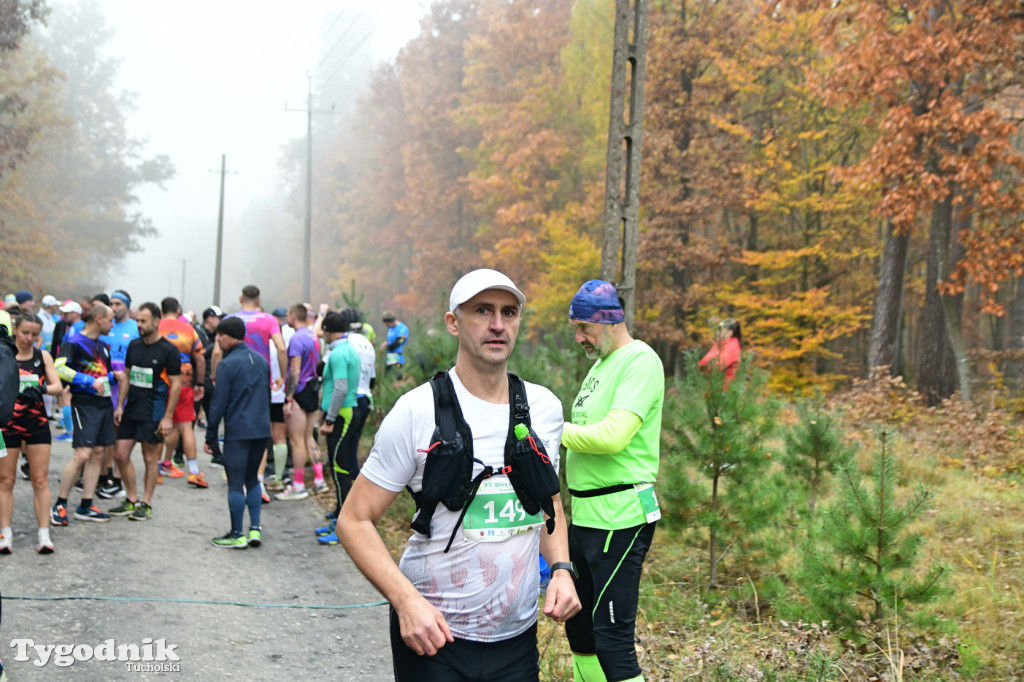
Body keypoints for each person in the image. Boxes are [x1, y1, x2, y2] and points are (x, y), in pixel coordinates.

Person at [339, 268, 580, 681]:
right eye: (482, 310)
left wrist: (561, 569)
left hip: (517, 639)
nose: (498, 325)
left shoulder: (544, 408)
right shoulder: (417, 411)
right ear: (453, 322)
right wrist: (406, 603)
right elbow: (354, 519)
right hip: (434, 637)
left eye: (509, 312)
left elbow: (548, 501)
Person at [561, 280, 665, 682]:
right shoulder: (600, 366)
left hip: (620, 517)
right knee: (580, 632)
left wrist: (554, 431)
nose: (578, 337)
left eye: (583, 328)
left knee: (611, 639)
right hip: (586, 515)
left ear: (607, 321)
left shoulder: (640, 361)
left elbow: (612, 436)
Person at [109, 302, 182, 522]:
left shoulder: (168, 350)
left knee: (150, 458)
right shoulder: (134, 345)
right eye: (138, 320)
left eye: (143, 321)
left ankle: (147, 502)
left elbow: (176, 385)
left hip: (154, 411)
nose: (138, 324)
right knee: (120, 455)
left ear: (156, 322)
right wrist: (120, 405)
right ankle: (132, 499)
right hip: (132, 409)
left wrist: (168, 417)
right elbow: (127, 377)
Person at [52, 303, 123, 524]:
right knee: (82, 454)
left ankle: (86, 505)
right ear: (99, 319)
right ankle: (60, 504)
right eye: (110, 319)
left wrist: (114, 377)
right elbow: (59, 368)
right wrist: (88, 381)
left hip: (103, 404)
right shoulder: (74, 341)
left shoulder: (103, 345)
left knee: (99, 453)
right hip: (84, 403)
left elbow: (104, 374)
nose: (113, 324)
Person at [204, 317, 270, 549]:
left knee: (235, 482)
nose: (217, 339)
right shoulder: (261, 361)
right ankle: (254, 529)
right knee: (252, 479)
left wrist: (211, 436)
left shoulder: (227, 365)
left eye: (220, 335)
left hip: (239, 431)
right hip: (261, 429)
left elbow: (218, 403)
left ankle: (236, 534)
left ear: (231, 336)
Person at [0, 314, 64, 553]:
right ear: (15, 330)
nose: (29, 338)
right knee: (6, 481)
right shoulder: (4, 355)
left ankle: (44, 535)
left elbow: (57, 386)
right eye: (25, 333)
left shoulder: (42, 356)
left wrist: (41, 388)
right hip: (8, 425)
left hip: (36, 424)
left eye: (34, 334)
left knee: (40, 480)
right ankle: (5, 534)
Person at [218, 285, 288, 496]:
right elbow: (281, 348)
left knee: (233, 425)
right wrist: (282, 377)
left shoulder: (230, 319)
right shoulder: (269, 320)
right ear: (259, 301)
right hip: (259, 380)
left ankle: (235, 476)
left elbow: (215, 352)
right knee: (260, 430)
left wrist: (215, 377)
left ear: (240, 298)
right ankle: (256, 481)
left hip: (232, 378)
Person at [314, 311, 360, 544]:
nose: (322, 334)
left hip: (342, 415)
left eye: (323, 330)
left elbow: (340, 388)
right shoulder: (347, 349)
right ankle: (338, 516)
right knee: (338, 467)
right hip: (344, 413)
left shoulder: (339, 353)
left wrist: (329, 420)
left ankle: (343, 527)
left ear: (330, 331)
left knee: (340, 469)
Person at [158, 297, 208, 488]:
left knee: (163, 425)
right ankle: (194, 472)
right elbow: (201, 359)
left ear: (162, 311)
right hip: (185, 381)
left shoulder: (157, 327)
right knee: (185, 426)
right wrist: (200, 383)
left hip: (162, 381)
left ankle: (159, 470)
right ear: (178, 310)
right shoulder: (189, 330)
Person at [95, 289, 139, 500]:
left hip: (125, 383)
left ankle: (118, 478)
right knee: (106, 431)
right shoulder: (106, 326)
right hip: (106, 379)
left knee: (120, 429)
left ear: (127, 306)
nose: (114, 307)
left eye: (118, 304)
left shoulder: (134, 328)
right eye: (111, 303)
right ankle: (104, 475)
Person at [277, 303, 324, 500]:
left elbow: (294, 369)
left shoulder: (296, 338)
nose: (287, 317)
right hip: (312, 390)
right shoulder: (313, 336)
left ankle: (298, 485)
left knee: (296, 441)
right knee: (308, 437)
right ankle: (319, 481)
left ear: (294, 316)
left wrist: (288, 397)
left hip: (300, 391)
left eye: (288, 314)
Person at [51, 300, 82, 443]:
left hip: (70, 367)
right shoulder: (74, 327)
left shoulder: (77, 328)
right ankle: (68, 428)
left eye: (67, 313)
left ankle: (70, 431)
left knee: (66, 396)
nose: (64, 315)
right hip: (67, 365)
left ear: (76, 313)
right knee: (65, 396)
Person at [698, 318, 742, 386]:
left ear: (729, 333)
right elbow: (703, 363)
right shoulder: (719, 345)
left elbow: (717, 367)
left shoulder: (733, 347)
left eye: (720, 330)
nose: (717, 333)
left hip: (725, 392)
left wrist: (704, 368)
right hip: (714, 388)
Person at [379, 310, 409, 376]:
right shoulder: (390, 328)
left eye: (387, 324)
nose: (386, 326)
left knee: (398, 377)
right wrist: (385, 343)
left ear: (391, 321)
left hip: (398, 359)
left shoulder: (403, 328)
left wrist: (388, 346)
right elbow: (390, 340)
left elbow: (398, 342)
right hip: (389, 358)